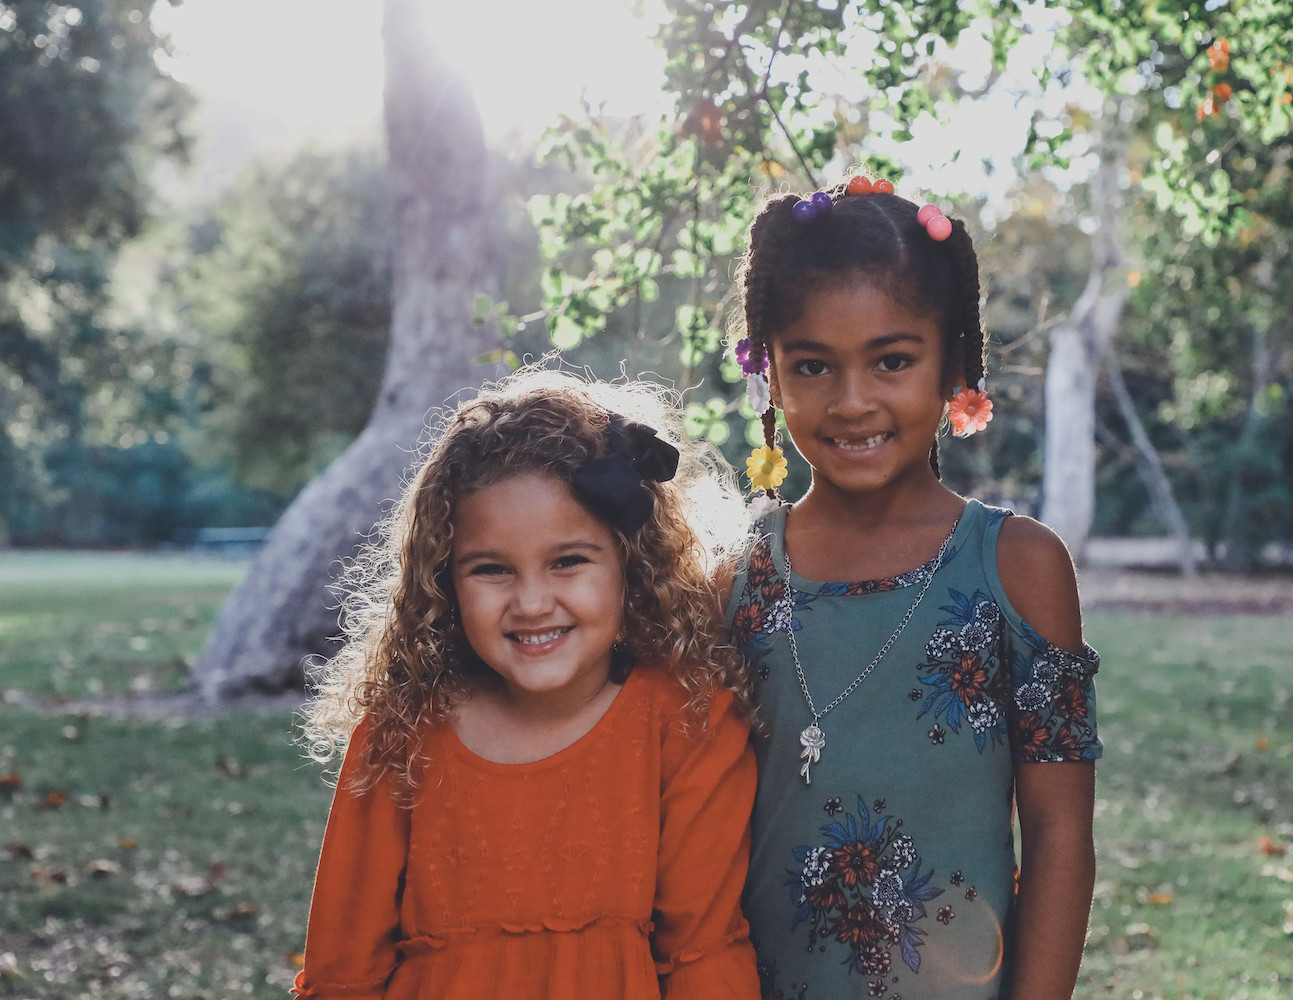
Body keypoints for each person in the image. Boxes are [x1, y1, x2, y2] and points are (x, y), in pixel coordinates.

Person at [724, 181, 1102, 999]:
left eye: (892, 360)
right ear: (770, 374)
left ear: (955, 363)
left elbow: (1059, 830)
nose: (853, 400)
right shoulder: (734, 569)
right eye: (813, 364)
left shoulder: (1019, 568)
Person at [296, 369, 760, 1000]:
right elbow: (342, 970)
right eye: (491, 569)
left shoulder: (687, 724)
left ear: (632, 561)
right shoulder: (399, 735)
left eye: (568, 561)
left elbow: (703, 957)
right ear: (443, 582)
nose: (532, 602)